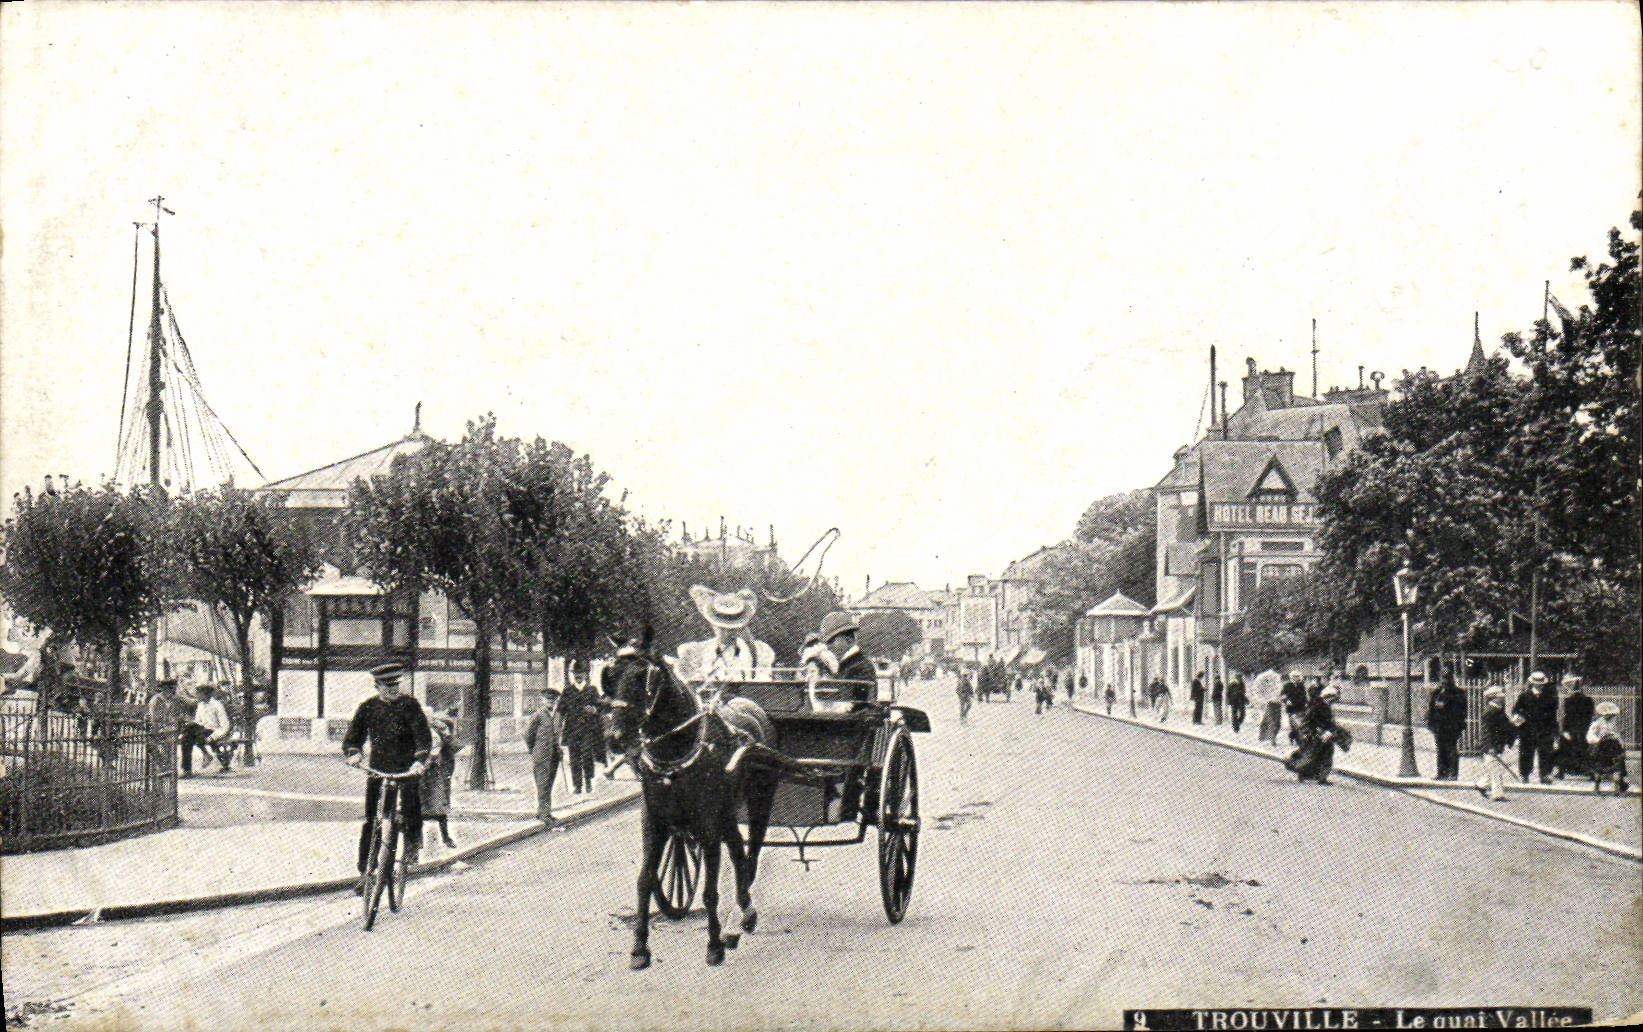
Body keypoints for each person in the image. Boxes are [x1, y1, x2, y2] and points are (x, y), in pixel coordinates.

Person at [343, 662, 432, 884]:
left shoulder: (410, 706)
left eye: (395, 685)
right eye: (386, 685)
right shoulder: (367, 708)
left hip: (407, 768)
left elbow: (422, 736)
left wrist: (419, 761)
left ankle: (411, 845)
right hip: (378, 768)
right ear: (377, 686)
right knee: (372, 819)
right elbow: (353, 737)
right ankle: (365, 872)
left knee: (411, 805)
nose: (393, 689)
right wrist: (354, 753)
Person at [675, 586, 775, 684]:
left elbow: (763, 682)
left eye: (732, 628)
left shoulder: (758, 651)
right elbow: (687, 684)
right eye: (722, 628)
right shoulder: (697, 651)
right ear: (714, 625)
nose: (727, 633)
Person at [1285, 684, 1348, 784]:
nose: (1333, 701)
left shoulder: (1325, 706)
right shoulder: (1316, 706)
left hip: (1324, 736)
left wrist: (1331, 731)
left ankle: (1321, 778)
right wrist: (1308, 733)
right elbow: (1307, 721)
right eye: (1332, 698)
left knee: (1325, 755)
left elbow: (1329, 722)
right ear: (1327, 696)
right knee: (1311, 756)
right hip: (1314, 735)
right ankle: (1300, 770)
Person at [420, 704, 459, 849]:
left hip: (435, 772)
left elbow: (440, 751)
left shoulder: (438, 730)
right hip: (423, 773)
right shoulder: (417, 730)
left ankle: (446, 837)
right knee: (419, 807)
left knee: (439, 806)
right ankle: (419, 840)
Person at [562, 664, 605, 794]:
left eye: (580, 672)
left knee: (587, 755)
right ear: (573, 675)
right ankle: (577, 785)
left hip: (588, 729)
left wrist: (595, 710)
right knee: (574, 758)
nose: (578, 675)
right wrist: (556, 729)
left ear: (586, 674)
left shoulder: (592, 690)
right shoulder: (567, 691)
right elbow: (560, 710)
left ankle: (588, 781)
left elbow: (601, 707)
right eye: (575, 673)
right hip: (572, 730)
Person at [523, 687, 564, 822]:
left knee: (549, 784)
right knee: (542, 784)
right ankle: (544, 814)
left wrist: (559, 749)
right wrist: (533, 750)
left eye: (553, 700)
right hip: (541, 755)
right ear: (542, 700)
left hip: (554, 756)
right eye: (548, 699)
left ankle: (544, 811)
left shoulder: (558, 716)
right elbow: (528, 735)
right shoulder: (538, 715)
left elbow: (557, 734)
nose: (551, 702)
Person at [1511, 671, 1559, 784]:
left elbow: (1553, 715)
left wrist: (1554, 731)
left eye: (1541, 683)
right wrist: (1521, 719)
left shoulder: (1550, 697)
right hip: (1528, 730)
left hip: (1545, 729)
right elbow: (1516, 710)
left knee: (1546, 752)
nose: (1539, 685)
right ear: (1531, 683)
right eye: (1536, 683)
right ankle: (1525, 774)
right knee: (1526, 752)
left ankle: (1545, 774)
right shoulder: (1524, 696)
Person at [820, 612, 876, 700]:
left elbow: (853, 706)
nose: (828, 647)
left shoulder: (860, 667)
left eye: (832, 641)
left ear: (848, 639)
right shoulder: (850, 664)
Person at [181, 683, 233, 776]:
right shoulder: (200, 705)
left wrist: (213, 737)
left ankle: (206, 754)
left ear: (206, 694)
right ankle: (187, 770)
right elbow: (198, 721)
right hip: (201, 731)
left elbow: (225, 726)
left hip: (213, 731)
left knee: (189, 733)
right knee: (186, 738)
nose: (197, 695)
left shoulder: (217, 705)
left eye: (199, 693)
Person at [1475, 686, 1517, 802]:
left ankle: (1481, 784)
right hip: (1491, 746)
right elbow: (1486, 731)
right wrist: (1490, 747)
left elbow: (1504, 726)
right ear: (1493, 698)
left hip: (1499, 745)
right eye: (1499, 697)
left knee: (1498, 766)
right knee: (1496, 769)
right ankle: (1498, 794)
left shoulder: (1499, 710)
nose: (1502, 698)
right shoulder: (1489, 712)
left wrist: (1513, 724)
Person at [1426, 671, 1467, 781]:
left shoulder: (1458, 693)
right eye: (1443, 678)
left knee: (1451, 749)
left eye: (1447, 678)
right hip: (1439, 727)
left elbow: (1462, 711)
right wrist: (1431, 723)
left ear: (1452, 680)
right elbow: (1431, 709)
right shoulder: (1437, 693)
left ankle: (1452, 773)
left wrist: (1458, 724)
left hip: (1451, 726)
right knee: (1440, 750)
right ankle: (1441, 772)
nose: (1445, 681)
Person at [1555, 675, 1595, 780]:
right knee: (1585, 750)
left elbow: (1567, 717)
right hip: (1584, 729)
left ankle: (1561, 772)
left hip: (1571, 730)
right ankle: (1590, 772)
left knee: (1564, 749)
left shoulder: (1568, 700)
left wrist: (1564, 730)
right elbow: (1590, 716)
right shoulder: (1589, 700)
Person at [1586, 701, 1629, 795]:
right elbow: (1590, 735)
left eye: (1611, 714)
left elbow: (1618, 736)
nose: (1610, 716)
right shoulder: (1597, 723)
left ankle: (1617, 788)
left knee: (1617, 766)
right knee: (1600, 766)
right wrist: (1598, 740)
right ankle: (1597, 787)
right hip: (1603, 746)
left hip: (1614, 746)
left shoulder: (1614, 723)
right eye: (1607, 714)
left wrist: (1621, 744)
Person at [145, 678, 185, 772]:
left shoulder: (175, 700)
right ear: (164, 689)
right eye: (170, 688)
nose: (172, 691)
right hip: (158, 728)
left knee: (170, 742)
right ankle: (162, 764)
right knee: (152, 745)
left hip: (171, 728)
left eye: (173, 688)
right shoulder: (156, 700)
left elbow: (179, 715)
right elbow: (153, 717)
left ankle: (168, 767)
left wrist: (177, 720)